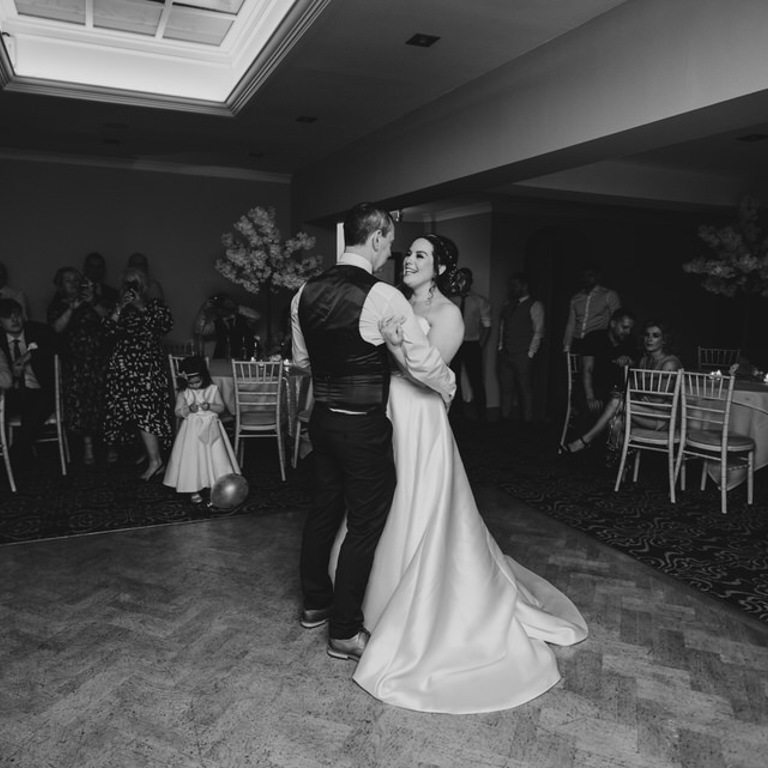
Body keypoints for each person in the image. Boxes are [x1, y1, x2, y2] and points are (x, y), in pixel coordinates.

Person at [331, 232, 587, 714]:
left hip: (419, 420)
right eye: (408, 255)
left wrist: (391, 341)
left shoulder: (446, 314)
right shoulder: (393, 302)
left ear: (441, 268)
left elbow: (429, 372)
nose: (409, 261)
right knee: (375, 502)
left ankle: (418, 605)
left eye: (421, 256)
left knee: (415, 501)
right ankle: (363, 598)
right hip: (385, 413)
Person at [290, 203, 456, 663]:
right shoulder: (384, 297)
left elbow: (303, 361)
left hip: (322, 420)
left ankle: (315, 604)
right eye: (390, 241)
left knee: (324, 510)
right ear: (379, 236)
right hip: (362, 425)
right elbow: (423, 362)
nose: (392, 253)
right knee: (365, 523)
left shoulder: (303, 292)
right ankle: (344, 631)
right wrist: (450, 386)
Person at [563, 318, 679, 454]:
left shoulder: (669, 363)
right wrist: (635, 396)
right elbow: (635, 391)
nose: (649, 339)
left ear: (664, 339)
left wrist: (636, 399)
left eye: (655, 336)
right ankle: (623, 464)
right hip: (647, 414)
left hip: (664, 419)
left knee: (616, 403)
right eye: (647, 335)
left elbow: (659, 402)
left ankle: (584, 441)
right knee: (615, 422)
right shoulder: (644, 360)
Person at [102, 268, 174, 479]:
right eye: (127, 284)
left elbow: (163, 326)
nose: (130, 288)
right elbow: (106, 334)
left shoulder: (155, 306)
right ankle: (148, 453)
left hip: (147, 367)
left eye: (135, 283)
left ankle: (156, 461)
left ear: (143, 286)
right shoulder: (119, 307)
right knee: (130, 411)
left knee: (146, 411)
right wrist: (119, 309)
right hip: (124, 368)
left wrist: (140, 305)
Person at [47, 266, 108, 465]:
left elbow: (110, 320)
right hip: (73, 363)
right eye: (68, 279)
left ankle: (104, 448)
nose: (73, 282)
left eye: (76, 279)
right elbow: (56, 329)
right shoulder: (56, 306)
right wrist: (71, 308)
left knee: (99, 404)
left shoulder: (92, 301)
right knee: (78, 407)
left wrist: (92, 301)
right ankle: (83, 449)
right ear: (59, 284)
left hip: (95, 362)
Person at [163, 356, 240, 504]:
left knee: (215, 457)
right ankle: (193, 488)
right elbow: (177, 412)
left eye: (197, 382)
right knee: (193, 459)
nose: (194, 386)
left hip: (211, 428)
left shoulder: (213, 389)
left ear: (204, 377)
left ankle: (216, 484)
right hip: (191, 431)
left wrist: (210, 406)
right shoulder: (184, 393)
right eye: (190, 383)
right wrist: (187, 409)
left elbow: (221, 407)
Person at [562, 307, 637, 453]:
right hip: (590, 387)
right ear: (613, 323)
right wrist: (590, 397)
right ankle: (580, 453)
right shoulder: (594, 338)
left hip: (614, 390)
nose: (627, 332)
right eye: (624, 327)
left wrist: (629, 361)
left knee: (616, 407)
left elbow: (636, 365)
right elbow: (587, 370)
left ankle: (605, 453)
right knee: (591, 407)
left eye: (630, 329)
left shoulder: (630, 342)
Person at [0, 298, 58, 462]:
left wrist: (31, 354)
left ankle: (12, 458)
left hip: (41, 389)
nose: (14, 320)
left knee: (37, 405)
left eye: (17, 315)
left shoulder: (39, 330)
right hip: (12, 392)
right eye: (8, 317)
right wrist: (11, 371)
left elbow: (60, 346)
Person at [497, 272, 545, 424]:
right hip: (506, 353)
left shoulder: (535, 305)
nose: (512, 288)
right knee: (506, 387)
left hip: (523, 354)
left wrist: (530, 353)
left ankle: (527, 421)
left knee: (525, 389)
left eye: (515, 285)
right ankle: (505, 418)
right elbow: (503, 327)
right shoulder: (507, 305)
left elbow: (538, 331)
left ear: (524, 286)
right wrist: (500, 347)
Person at [450, 267, 492, 421]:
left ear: (471, 281)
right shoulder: (450, 300)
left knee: (476, 379)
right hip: (454, 344)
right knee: (453, 378)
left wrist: (480, 345)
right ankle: (457, 412)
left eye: (466, 279)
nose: (463, 282)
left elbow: (487, 325)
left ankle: (481, 415)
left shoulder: (479, 301)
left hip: (472, 343)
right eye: (460, 278)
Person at [562, 262, 621, 353]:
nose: (586, 279)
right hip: (578, 341)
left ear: (598, 276)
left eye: (590, 275)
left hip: (598, 341)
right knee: (577, 366)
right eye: (584, 276)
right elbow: (571, 324)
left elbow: (617, 320)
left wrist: (615, 344)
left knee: (592, 367)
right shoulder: (576, 299)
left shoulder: (608, 295)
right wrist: (567, 345)